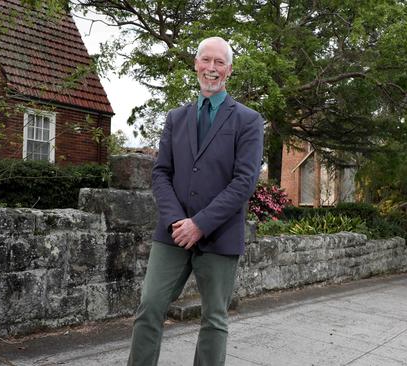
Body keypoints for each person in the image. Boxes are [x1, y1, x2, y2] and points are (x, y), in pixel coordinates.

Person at [127, 36, 264, 366]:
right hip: (172, 233)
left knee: (214, 319)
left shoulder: (248, 120)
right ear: (196, 65)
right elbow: (161, 173)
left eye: (219, 63)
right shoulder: (176, 118)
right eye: (206, 60)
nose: (211, 68)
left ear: (229, 70)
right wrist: (178, 221)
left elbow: (244, 181)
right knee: (150, 306)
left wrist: (200, 224)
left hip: (218, 236)